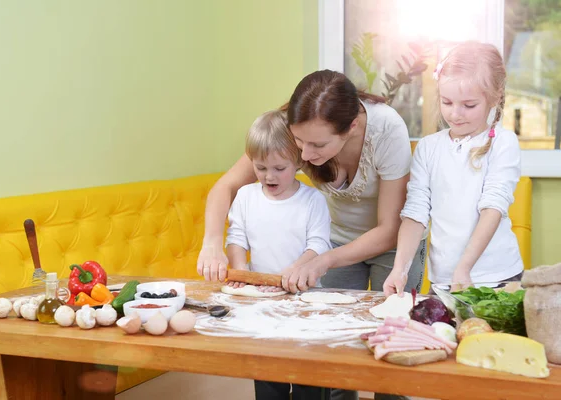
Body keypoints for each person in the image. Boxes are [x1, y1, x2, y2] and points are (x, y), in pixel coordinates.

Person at [197, 70, 425, 400]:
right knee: (335, 352)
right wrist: (211, 243)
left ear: (352, 128)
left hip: (393, 247)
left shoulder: (387, 129)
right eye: (299, 142)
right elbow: (226, 186)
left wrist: (322, 260)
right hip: (337, 242)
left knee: (391, 357)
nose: (304, 155)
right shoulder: (295, 123)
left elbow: (390, 230)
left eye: (317, 145)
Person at [383, 41, 524, 297]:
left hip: (498, 278)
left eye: (469, 105)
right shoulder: (428, 148)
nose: (456, 114)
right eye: (447, 102)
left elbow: (493, 207)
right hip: (444, 281)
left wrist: (464, 267)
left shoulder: (503, 143)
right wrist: (399, 268)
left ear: (494, 97)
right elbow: (415, 213)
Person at [226, 109, 332, 399]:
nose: (269, 176)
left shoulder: (312, 201)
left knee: (308, 381)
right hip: (262, 304)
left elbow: (319, 245)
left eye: (279, 168)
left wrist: (295, 270)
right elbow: (236, 237)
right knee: (268, 375)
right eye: (260, 168)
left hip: (306, 302)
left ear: (298, 161)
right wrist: (239, 270)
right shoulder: (246, 197)